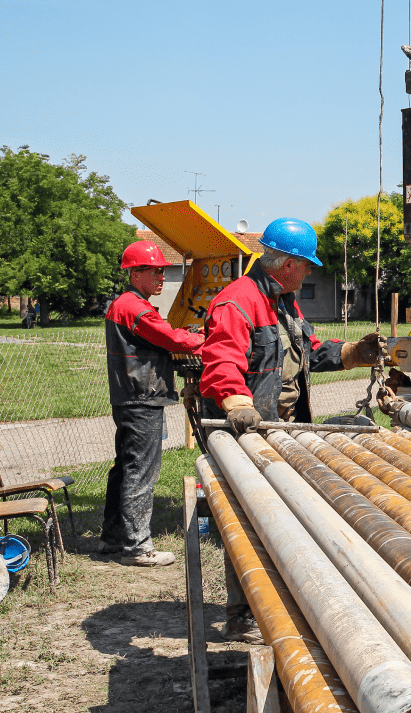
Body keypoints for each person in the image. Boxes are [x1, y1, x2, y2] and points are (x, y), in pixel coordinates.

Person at [199, 217, 385, 642]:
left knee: (282, 516)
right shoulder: (238, 302)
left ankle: (280, 599)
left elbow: (308, 353)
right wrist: (238, 403)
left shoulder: (283, 302)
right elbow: (222, 361)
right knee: (248, 520)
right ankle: (243, 613)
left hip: (277, 427)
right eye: (306, 265)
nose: (309, 272)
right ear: (287, 264)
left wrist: (355, 353)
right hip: (246, 426)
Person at [102, 240, 205, 566]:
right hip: (140, 398)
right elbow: (173, 339)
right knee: (140, 472)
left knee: (124, 468)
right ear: (135, 274)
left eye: (162, 271)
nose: (162, 277)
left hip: (131, 397)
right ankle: (137, 548)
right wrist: (207, 339)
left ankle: (112, 538)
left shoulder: (126, 304)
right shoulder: (135, 307)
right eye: (155, 271)